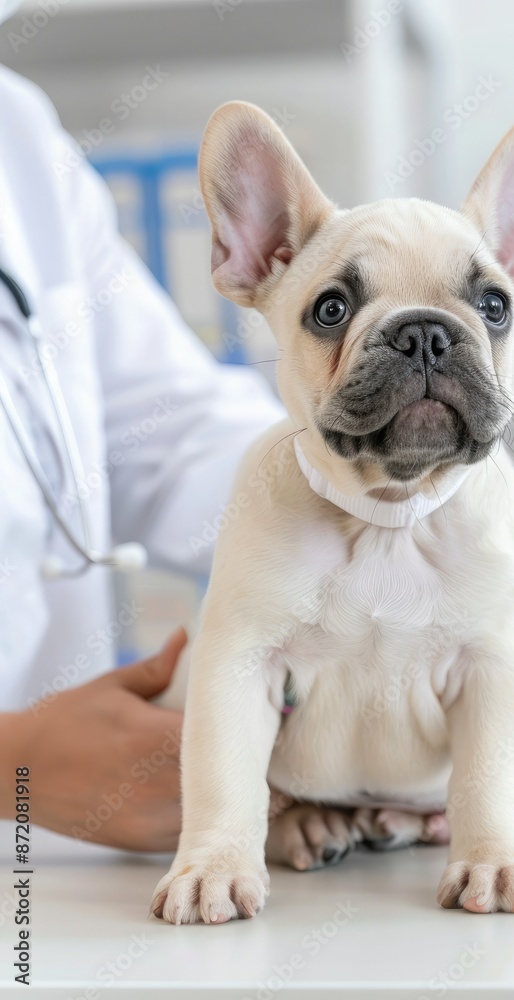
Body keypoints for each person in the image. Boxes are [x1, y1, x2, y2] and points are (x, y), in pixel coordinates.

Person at [0, 3, 286, 851]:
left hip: (46, 881)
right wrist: (10, 764)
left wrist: (374, 501)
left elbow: (166, 426)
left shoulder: (16, 138)